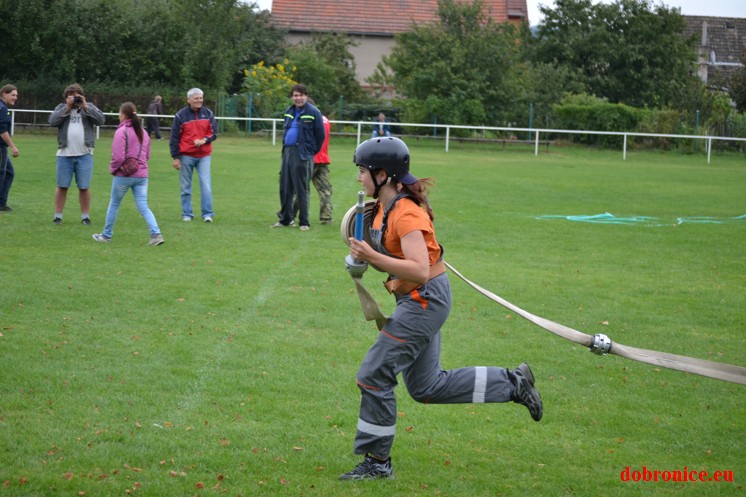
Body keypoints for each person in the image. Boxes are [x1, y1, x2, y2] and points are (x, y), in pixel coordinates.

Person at [340, 137, 543, 481]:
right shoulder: (383, 210)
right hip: (416, 298)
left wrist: (372, 256)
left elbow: (419, 269)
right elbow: (394, 263)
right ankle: (513, 383)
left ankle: (377, 464)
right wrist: (362, 260)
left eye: (363, 171)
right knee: (426, 387)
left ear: (384, 174)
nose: (359, 178)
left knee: (373, 375)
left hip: (425, 299)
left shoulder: (407, 213)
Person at [92, 102, 164, 246]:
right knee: (143, 206)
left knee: (114, 204)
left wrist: (113, 169)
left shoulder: (122, 131)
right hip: (142, 176)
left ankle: (106, 235)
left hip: (124, 176)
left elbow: (118, 157)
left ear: (123, 115)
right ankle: (156, 234)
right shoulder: (143, 132)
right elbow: (147, 155)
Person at [49, 83, 106, 225]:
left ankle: (85, 217)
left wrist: (86, 106)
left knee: (84, 186)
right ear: (66, 97)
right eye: (71, 95)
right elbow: (52, 121)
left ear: (81, 95)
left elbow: (101, 120)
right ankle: (58, 216)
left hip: (85, 154)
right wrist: (67, 108)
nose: (74, 98)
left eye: (76, 95)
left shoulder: (88, 107)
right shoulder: (61, 108)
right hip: (64, 154)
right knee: (62, 186)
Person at [272, 84, 325, 231]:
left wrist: (310, 151)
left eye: (301, 95)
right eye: (295, 95)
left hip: (303, 154)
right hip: (287, 152)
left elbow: (320, 136)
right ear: (292, 97)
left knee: (301, 189)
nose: (298, 98)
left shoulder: (314, 112)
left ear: (306, 96)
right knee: (285, 188)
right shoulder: (289, 111)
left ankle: (304, 222)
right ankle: (286, 219)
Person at [169, 87, 218, 222]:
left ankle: (207, 214)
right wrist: (176, 157)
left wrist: (204, 140)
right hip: (186, 156)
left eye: (201, 98)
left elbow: (214, 133)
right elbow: (174, 138)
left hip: (204, 156)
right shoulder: (180, 116)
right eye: (196, 98)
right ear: (189, 100)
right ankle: (187, 214)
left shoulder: (208, 113)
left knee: (206, 185)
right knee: (185, 187)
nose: (199, 100)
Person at [0, 85, 20, 212]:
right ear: (4, 94)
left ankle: (1, 202)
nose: (15, 98)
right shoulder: (2, 109)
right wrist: (13, 146)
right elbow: (2, 130)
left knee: (9, 172)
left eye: (16, 95)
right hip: (0, 147)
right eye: (13, 95)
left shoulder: (3, 107)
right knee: (1, 173)